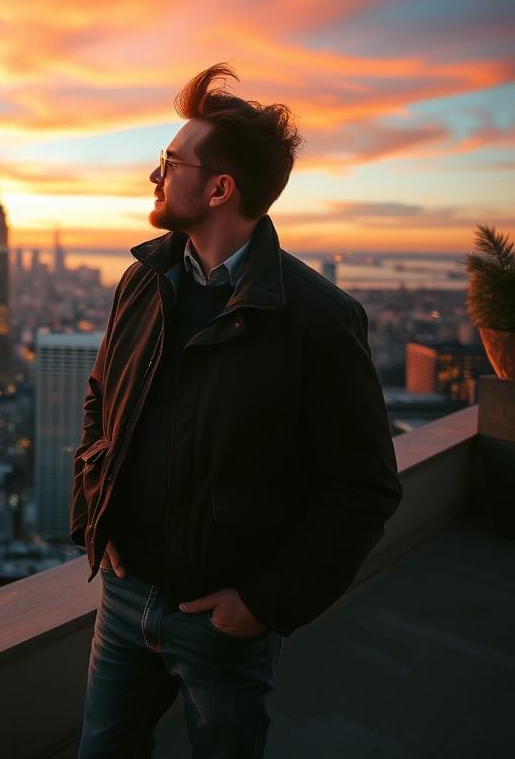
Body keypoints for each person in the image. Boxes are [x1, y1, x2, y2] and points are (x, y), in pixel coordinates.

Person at [70, 64, 403, 758]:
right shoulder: (144, 281)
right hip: (126, 594)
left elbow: (363, 487)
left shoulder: (317, 319)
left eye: (168, 162)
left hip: (223, 615)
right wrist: (95, 518)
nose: (153, 177)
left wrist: (263, 605)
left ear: (220, 188)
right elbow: (101, 398)